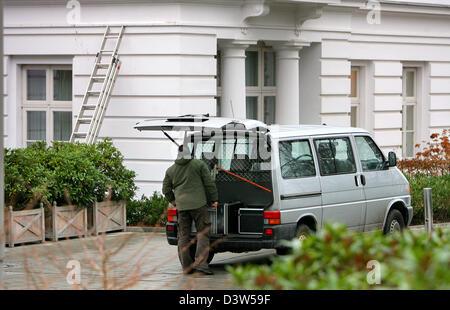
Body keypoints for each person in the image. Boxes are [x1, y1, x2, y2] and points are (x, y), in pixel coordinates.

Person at [162, 144, 218, 275]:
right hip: (199, 205)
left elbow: (165, 190)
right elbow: (209, 182)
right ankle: (201, 264)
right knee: (203, 233)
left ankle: (186, 266)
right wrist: (214, 199)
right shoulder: (199, 164)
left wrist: (174, 202)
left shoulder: (171, 170)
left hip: (182, 207)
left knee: (183, 236)